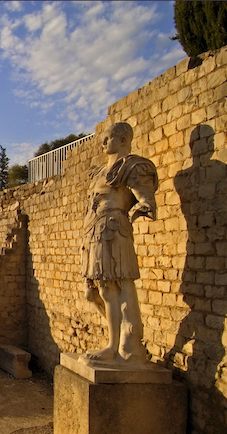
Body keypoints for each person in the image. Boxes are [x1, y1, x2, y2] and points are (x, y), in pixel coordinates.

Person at [80, 122, 158, 365]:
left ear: (123, 139)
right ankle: (119, 340)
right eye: (103, 139)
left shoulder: (132, 167)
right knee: (94, 292)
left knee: (117, 286)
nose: (104, 143)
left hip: (114, 229)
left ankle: (119, 346)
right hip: (95, 232)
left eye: (108, 138)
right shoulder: (100, 172)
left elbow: (145, 197)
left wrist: (142, 207)